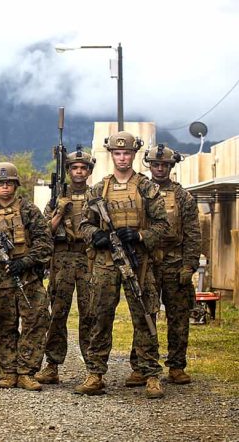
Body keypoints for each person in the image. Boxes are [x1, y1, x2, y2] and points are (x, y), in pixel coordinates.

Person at [76, 131, 169, 398]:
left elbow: (163, 225)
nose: (122, 158)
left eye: (127, 153)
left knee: (145, 315)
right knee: (100, 317)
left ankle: (150, 374)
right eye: (117, 153)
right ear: (111, 155)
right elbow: (84, 224)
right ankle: (95, 374)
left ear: (134, 155)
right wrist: (97, 236)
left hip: (138, 263)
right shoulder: (98, 189)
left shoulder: (146, 188)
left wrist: (140, 235)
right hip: (106, 263)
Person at [0, 162, 52, 390]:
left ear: (15, 185)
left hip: (28, 278)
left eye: (8, 183)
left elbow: (45, 243)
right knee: (2, 324)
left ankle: (26, 371)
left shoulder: (29, 210)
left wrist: (25, 261)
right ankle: (8, 371)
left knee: (36, 321)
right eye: (0, 183)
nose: (4, 187)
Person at [124, 144, 200, 385]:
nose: (159, 169)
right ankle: (141, 366)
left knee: (178, 317)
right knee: (145, 315)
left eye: (163, 165)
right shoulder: (140, 191)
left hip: (175, 263)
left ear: (170, 167)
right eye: (155, 164)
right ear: (149, 165)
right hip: (147, 261)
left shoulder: (183, 197)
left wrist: (189, 266)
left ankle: (177, 366)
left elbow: (193, 234)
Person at [36, 146, 96, 384]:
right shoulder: (56, 197)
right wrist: (59, 211)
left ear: (89, 171)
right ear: (68, 170)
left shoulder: (96, 195)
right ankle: (52, 365)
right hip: (61, 260)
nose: (79, 172)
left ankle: (93, 367)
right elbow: (44, 231)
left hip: (87, 259)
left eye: (83, 168)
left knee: (89, 314)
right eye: (74, 168)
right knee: (57, 314)